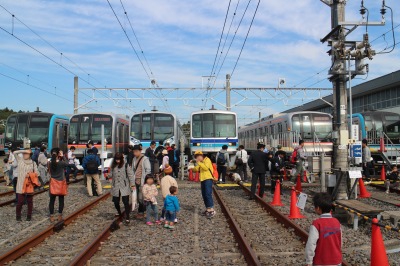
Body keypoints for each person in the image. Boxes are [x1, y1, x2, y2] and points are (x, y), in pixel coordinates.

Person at [305, 192, 342, 266]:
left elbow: (311, 244)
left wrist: (308, 261)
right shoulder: (337, 222)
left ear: (318, 208)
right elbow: (340, 241)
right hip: (336, 260)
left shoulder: (316, 223)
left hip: (321, 261)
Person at [107, 152, 134, 225]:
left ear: (121, 159)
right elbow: (111, 174)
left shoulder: (126, 165)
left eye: (119, 159)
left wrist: (133, 184)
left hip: (124, 186)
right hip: (115, 186)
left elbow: (130, 175)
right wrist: (108, 175)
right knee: (116, 202)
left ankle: (127, 216)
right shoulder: (113, 166)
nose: (117, 161)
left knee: (126, 202)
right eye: (116, 159)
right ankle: (119, 212)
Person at [14, 149, 39, 221]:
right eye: (24, 154)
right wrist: (22, 151)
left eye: (27, 154)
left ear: (30, 155)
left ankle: (29, 216)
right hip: (20, 185)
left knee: (30, 202)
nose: (25, 155)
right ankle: (18, 216)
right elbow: (15, 152)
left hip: (29, 185)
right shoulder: (20, 160)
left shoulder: (33, 163)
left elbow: (37, 173)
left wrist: (30, 175)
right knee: (20, 202)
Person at [192, 151, 216, 218]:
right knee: (204, 194)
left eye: (197, 156)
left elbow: (205, 168)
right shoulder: (200, 162)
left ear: (201, 156)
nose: (197, 158)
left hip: (208, 179)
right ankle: (207, 209)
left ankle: (211, 210)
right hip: (202, 179)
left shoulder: (207, 160)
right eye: (196, 157)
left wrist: (199, 163)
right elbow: (195, 170)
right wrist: (193, 165)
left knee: (208, 194)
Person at [48, 148, 69, 222]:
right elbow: (67, 163)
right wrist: (63, 156)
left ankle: (51, 216)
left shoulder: (50, 163)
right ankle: (60, 215)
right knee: (61, 200)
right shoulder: (61, 163)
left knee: (52, 200)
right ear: (58, 154)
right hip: (61, 183)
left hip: (53, 183)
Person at [131, 144, 151, 219]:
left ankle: (143, 211)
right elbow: (133, 170)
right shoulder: (134, 159)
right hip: (135, 181)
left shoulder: (145, 159)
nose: (135, 153)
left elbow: (148, 170)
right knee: (137, 197)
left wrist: (146, 181)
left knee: (141, 197)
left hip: (142, 181)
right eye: (134, 152)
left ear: (140, 151)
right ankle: (141, 211)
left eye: (136, 151)